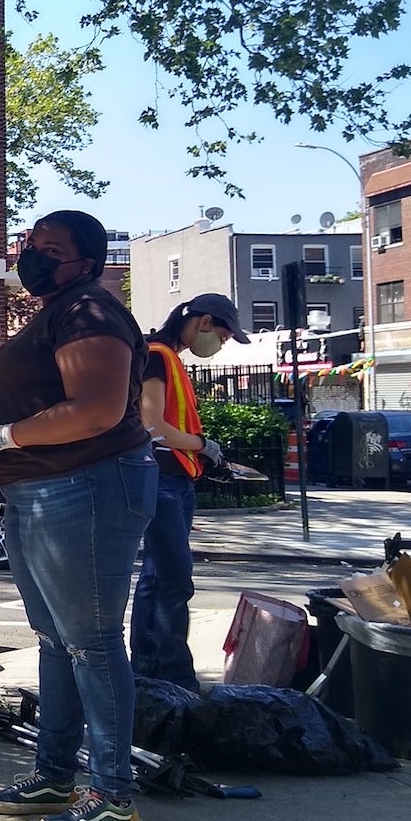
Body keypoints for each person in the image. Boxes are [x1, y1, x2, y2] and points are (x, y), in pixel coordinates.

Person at [0, 209, 157, 821]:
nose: (30, 254)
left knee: (89, 639)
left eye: (49, 248)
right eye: (28, 243)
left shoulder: (90, 310)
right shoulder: (56, 310)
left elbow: (96, 409)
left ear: (87, 264)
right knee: (55, 638)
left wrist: (1, 436)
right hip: (40, 488)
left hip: (87, 483)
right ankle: (56, 773)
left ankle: (113, 794)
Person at [131, 292, 248, 693]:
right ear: (202, 322)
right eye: (224, 334)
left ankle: (146, 673)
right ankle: (174, 677)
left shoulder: (168, 358)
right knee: (173, 580)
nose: (222, 344)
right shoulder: (159, 355)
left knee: (159, 578)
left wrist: (199, 449)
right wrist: (202, 446)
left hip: (172, 481)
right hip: (163, 480)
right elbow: (153, 424)